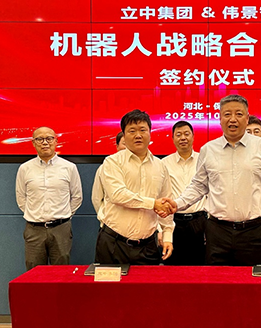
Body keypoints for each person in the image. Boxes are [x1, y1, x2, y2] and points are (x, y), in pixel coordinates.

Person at [164, 94, 261, 266]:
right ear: (220, 119)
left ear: (247, 118)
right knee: (216, 280)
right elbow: (198, 186)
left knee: (251, 281)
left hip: (254, 231)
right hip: (217, 232)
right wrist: (177, 204)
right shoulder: (208, 150)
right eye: (227, 114)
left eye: (238, 114)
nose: (232, 119)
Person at [95, 110, 175, 265]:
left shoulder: (161, 166)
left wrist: (167, 236)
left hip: (148, 246)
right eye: (132, 131)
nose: (138, 135)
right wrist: (153, 203)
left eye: (142, 130)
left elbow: (166, 203)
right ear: (124, 136)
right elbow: (118, 195)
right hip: (113, 244)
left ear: (150, 133)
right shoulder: (112, 162)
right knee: (109, 282)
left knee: (148, 282)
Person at [15, 127, 83, 271]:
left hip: (61, 229)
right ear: (33, 143)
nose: (45, 142)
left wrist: (64, 215)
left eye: (49, 138)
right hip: (34, 229)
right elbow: (21, 197)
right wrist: (34, 214)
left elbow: (77, 197)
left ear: (56, 141)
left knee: (61, 273)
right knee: (33, 274)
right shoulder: (25, 168)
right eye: (40, 139)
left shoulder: (69, 167)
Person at [161, 121, 207, 265]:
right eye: (178, 135)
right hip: (174, 221)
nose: (183, 138)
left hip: (200, 221)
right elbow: (159, 195)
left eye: (186, 134)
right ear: (173, 138)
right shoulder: (164, 163)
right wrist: (160, 229)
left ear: (193, 136)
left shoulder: (204, 160)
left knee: (201, 266)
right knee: (173, 266)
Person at [91, 131, 125, 226]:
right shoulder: (105, 167)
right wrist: (104, 219)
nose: (127, 148)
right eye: (124, 144)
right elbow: (96, 198)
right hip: (111, 225)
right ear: (117, 146)